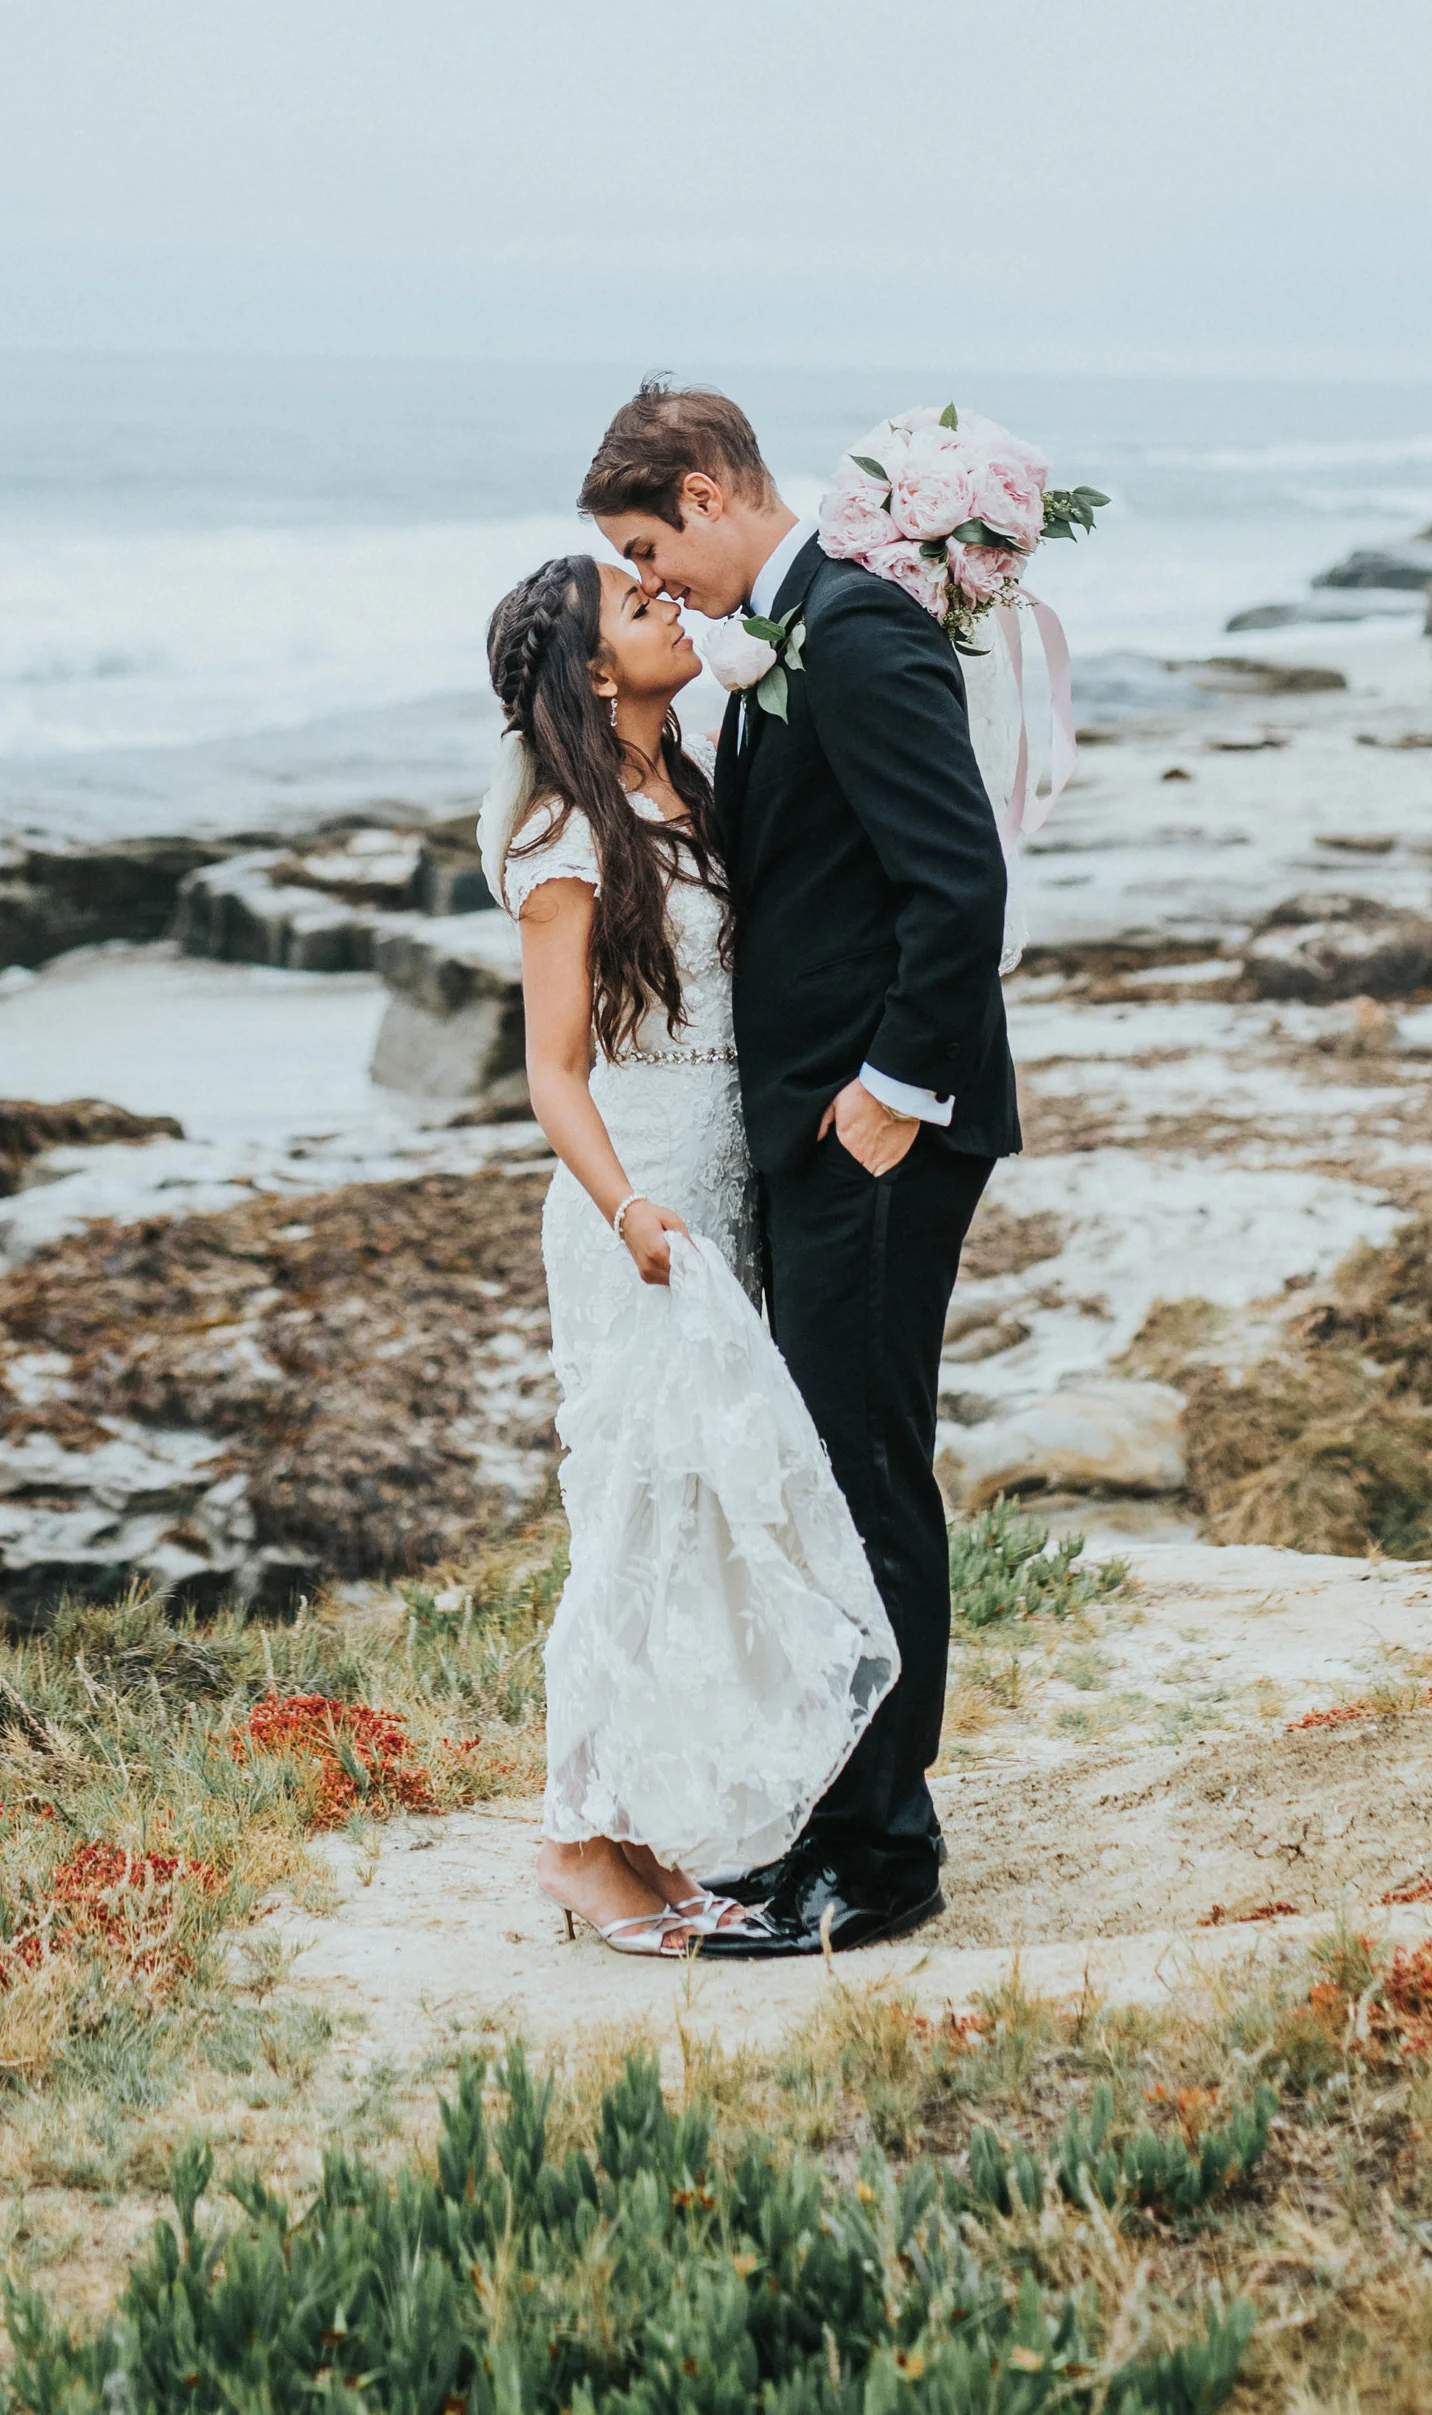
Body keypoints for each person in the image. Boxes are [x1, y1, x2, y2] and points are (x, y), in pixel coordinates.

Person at [581, 380, 1018, 1958]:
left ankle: (883, 1858)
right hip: (819, 1137)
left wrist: (897, 1087)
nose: (654, 580)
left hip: (880, 1132)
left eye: (650, 546)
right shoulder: (786, 639)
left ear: (706, 492)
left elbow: (958, 877)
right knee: (826, 1478)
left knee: (863, 1481)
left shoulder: (859, 626)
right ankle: (833, 1828)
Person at [482, 549, 898, 1956]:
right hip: (641, 1201)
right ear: (595, 670)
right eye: (635, 600)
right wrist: (626, 1210)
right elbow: (552, 1074)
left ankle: (643, 1837)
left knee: (697, 1515)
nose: (665, 600)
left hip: (724, 1184)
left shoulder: (693, 784)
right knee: (633, 1512)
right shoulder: (563, 837)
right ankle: (575, 1840)